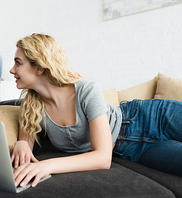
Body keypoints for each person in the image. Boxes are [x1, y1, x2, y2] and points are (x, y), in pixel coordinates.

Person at [9, 33, 182, 188]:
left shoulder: (86, 90)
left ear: (39, 68)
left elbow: (103, 158)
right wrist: (21, 143)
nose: (12, 70)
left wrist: (45, 165)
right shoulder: (31, 106)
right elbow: (25, 140)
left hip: (152, 116)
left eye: (18, 63)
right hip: (130, 149)